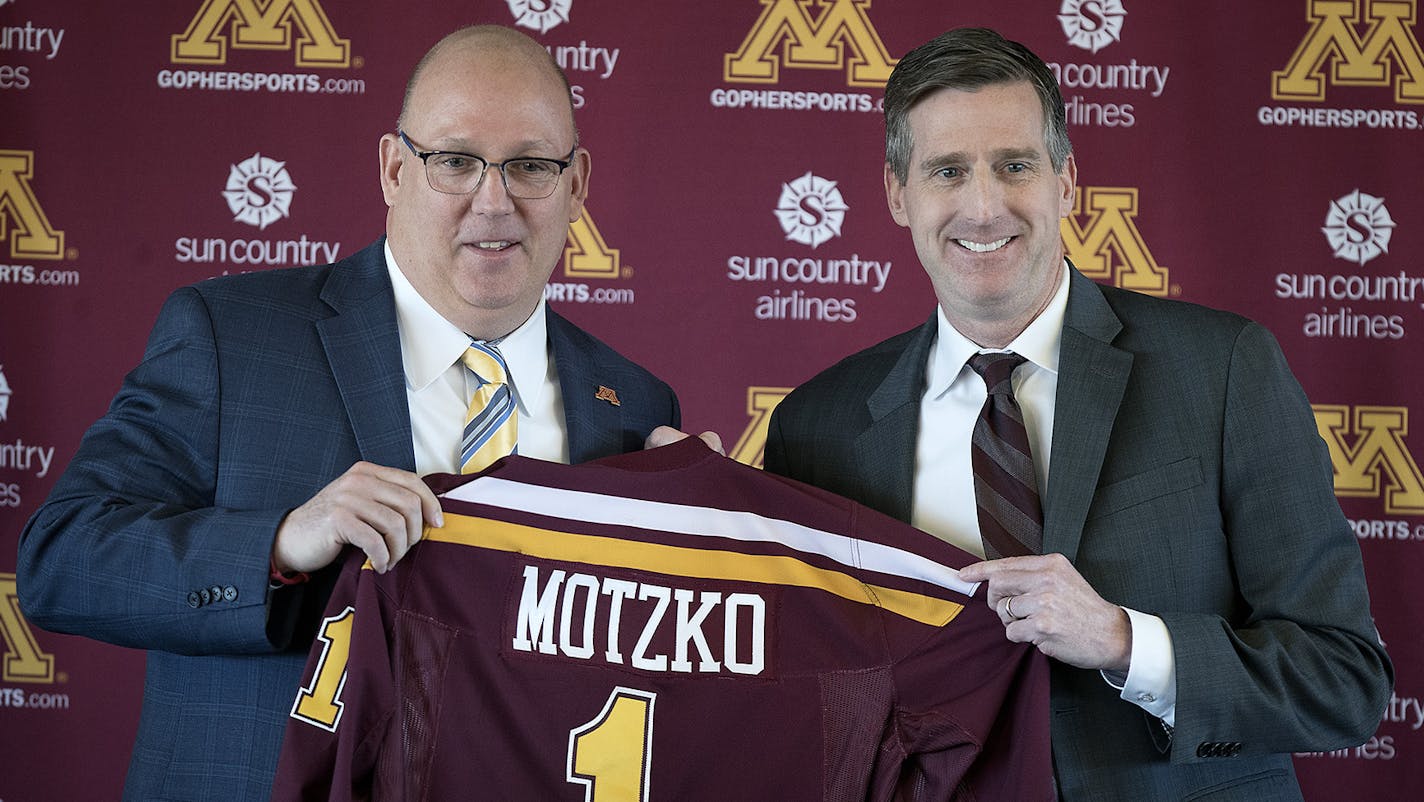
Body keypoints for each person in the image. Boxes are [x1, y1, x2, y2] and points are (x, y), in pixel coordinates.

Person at [17, 25, 685, 802]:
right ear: (394, 169)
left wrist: (714, 533)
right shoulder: (232, 336)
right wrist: (280, 542)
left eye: (531, 165)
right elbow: (58, 562)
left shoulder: (637, 407)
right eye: (456, 161)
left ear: (576, 187)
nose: (493, 200)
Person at [763, 27, 1392, 801]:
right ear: (899, 193)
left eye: (1015, 165)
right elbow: (802, 707)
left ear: (1066, 180)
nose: (983, 205)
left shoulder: (1224, 370)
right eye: (947, 171)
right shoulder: (817, 428)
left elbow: (1344, 679)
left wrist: (1125, 642)